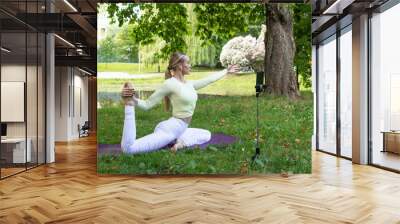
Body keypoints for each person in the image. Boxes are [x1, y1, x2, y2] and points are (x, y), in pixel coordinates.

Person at [121, 52, 239, 154]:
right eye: (188, 63)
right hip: (170, 130)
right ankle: (129, 105)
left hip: (181, 129)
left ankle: (180, 143)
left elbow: (209, 80)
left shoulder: (190, 84)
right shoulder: (170, 84)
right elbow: (147, 104)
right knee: (129, 149)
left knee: (206, 134)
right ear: (179, 66)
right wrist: (134, 101)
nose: (190, 65)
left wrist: (226, 71)